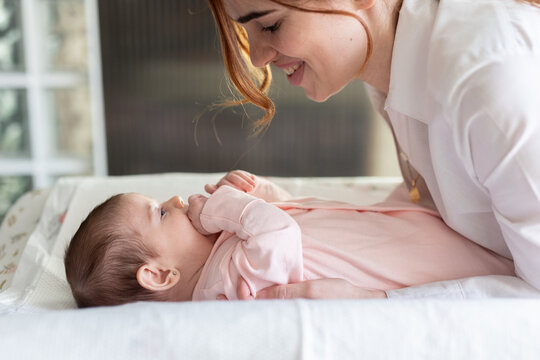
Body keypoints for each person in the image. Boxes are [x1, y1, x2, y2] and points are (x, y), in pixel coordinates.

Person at [205, 0, 540, 299]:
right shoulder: (392, 68)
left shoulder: (487, 80)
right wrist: (301, 212)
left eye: (270, 25)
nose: (257, 57)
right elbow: (449, 198)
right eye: (247, 31)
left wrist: (378, 305)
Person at [64, 170, 514, 307]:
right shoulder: (226, 284)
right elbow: (280, 236)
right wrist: (226, 206)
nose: (179, 199)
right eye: (161, 213)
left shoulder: (224, 251)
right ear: (160, 274)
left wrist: (261, 195)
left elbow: (286, 216)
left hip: (401, 225)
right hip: (428, 257)